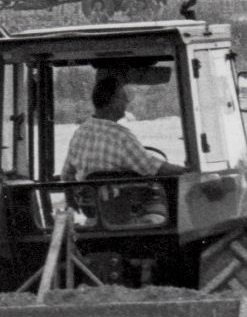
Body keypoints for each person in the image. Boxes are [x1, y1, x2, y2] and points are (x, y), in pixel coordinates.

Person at [61, 75, 186, 223]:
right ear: (110, 102)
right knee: (163, 206)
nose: (127, 101)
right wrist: (187, 171)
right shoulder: (120, 136)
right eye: (122, 97)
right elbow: (154, 167)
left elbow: (66, 175)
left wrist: (70, 200)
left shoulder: (80, 132)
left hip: (94, 215)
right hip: (121, 213)